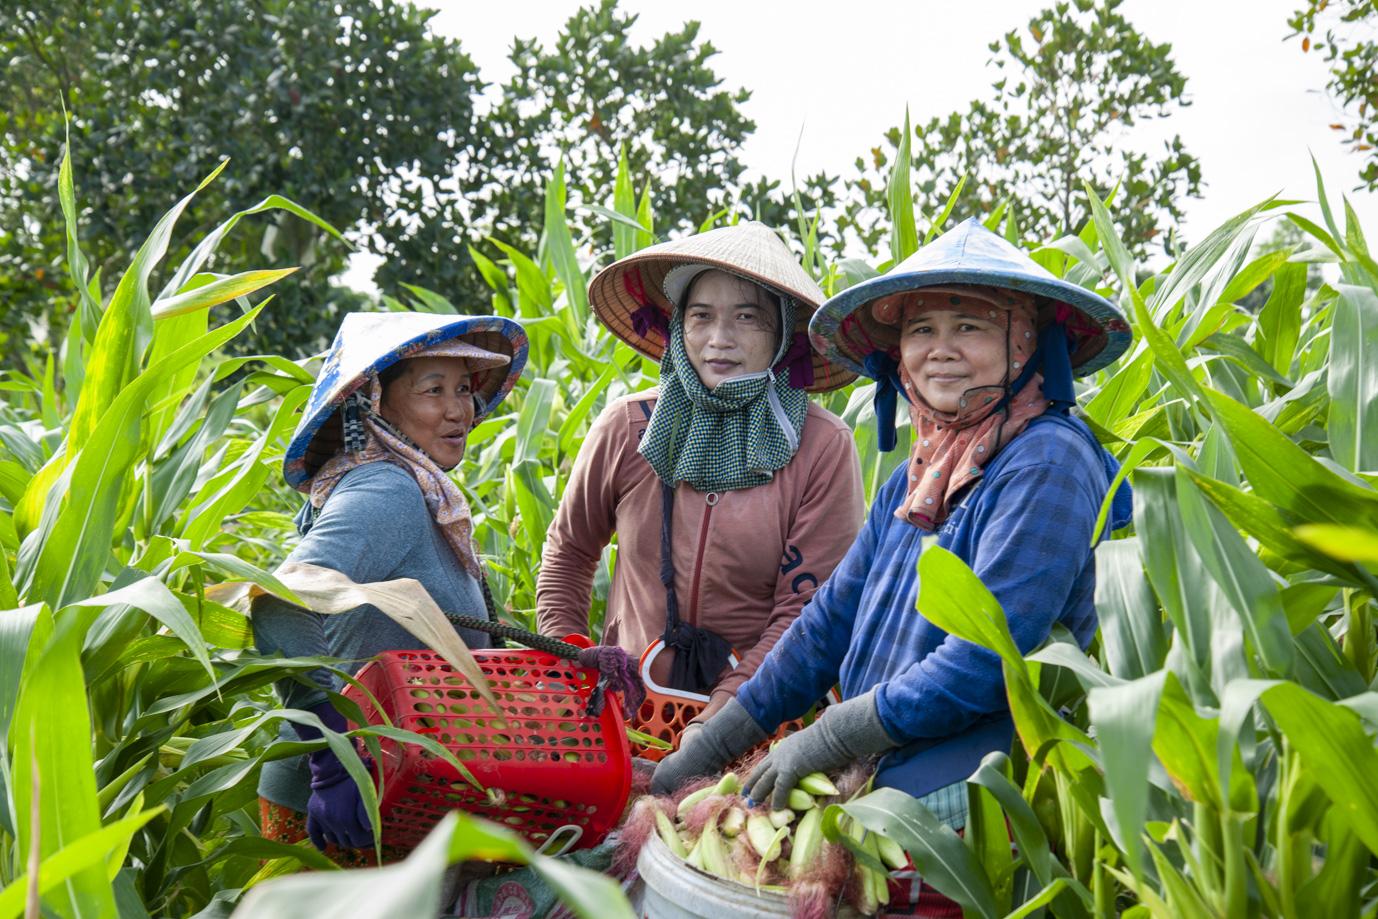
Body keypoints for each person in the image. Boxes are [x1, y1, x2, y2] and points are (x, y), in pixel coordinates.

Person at [651, 218, 1134, 847]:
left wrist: (831, 735)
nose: (941, 349)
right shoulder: (921, 473)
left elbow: (989, 660)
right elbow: (828, 623)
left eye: (971, 326)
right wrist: (716, 740)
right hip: (883, 769)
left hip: (975, 791)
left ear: (1026, 342)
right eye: (921, 329)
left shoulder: (1046, 462)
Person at [537, 221, 864, 746]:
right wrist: (568, 660)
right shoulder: (627, 427)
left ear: (782, 334)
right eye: (701, 317)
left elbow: (806, 609)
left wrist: (728, 714)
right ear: (678, 327)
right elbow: (570, 552)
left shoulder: (821, 446)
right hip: (627, 712)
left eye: (747, 318)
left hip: (764, 716)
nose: (720, 340)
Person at [253, 312, 529, 858]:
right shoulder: (387, 489)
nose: (459, 410)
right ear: (374, 401)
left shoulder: (421, 492)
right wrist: (333, 759)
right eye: (433, 390)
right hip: (346, 803)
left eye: (464, 389)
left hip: (396, 789)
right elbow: (280, 602)